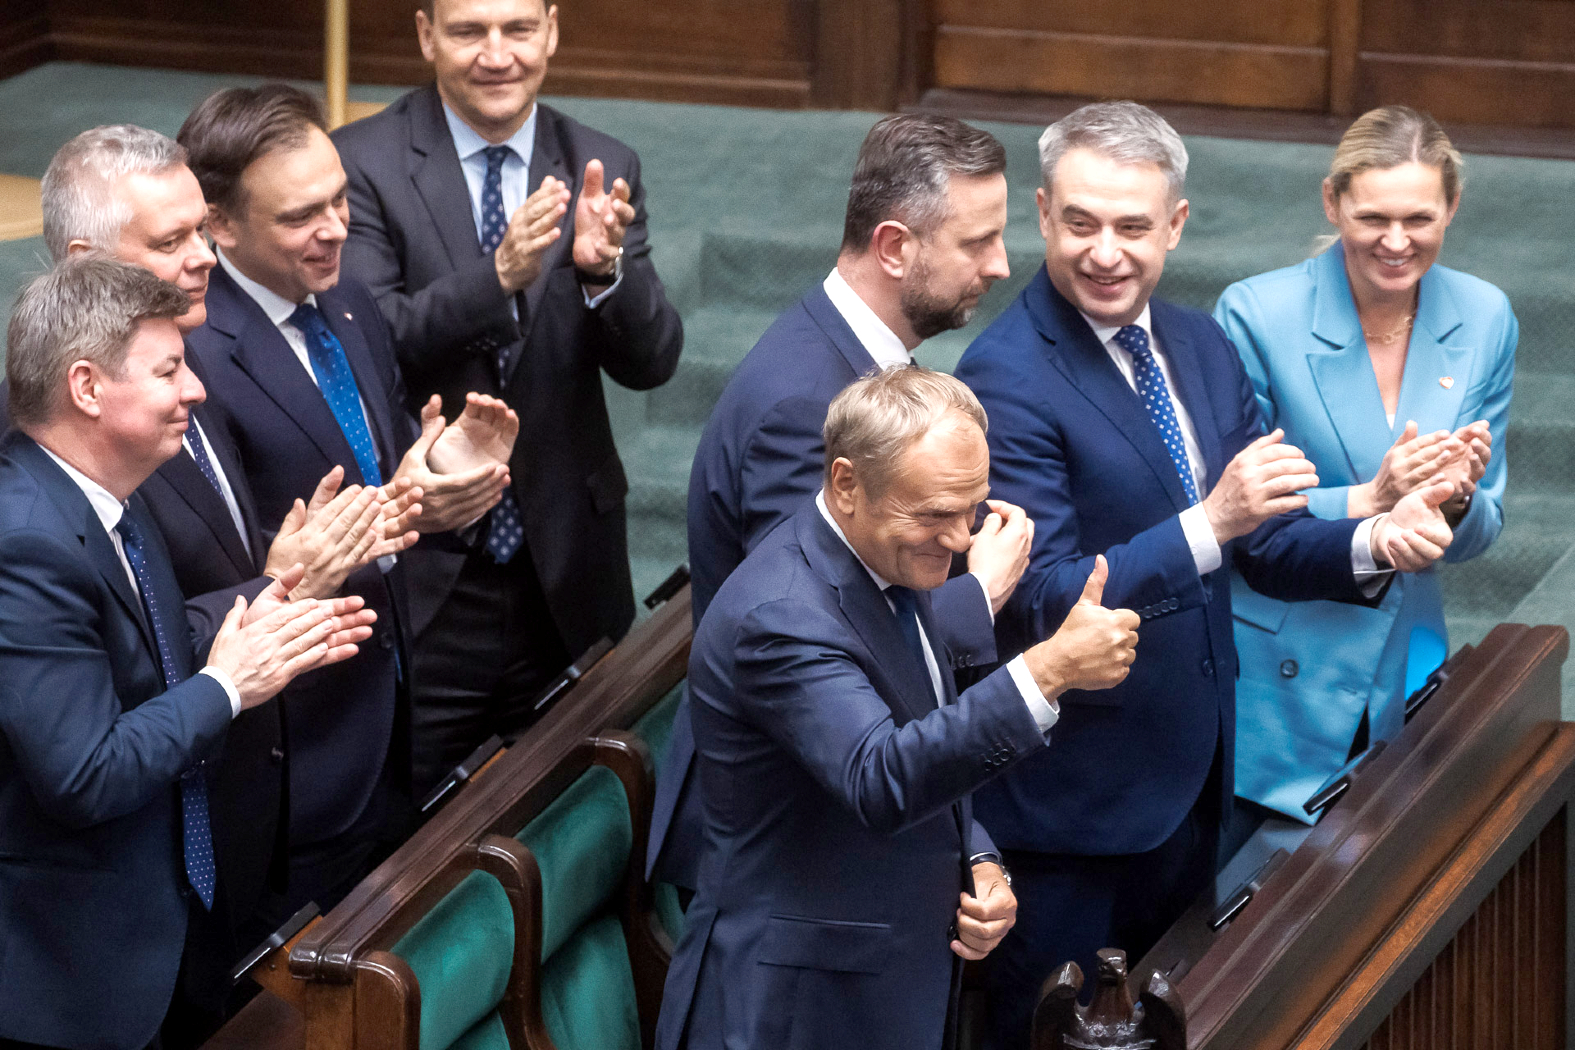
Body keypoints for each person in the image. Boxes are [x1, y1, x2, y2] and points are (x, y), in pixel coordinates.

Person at [952, 100, 1459, 1048]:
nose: (1106, 253)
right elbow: (1044, 594)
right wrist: (1209, 521)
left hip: (1191, 791)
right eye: (1081, 223)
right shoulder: (1003, 376)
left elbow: (1262, 538)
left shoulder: (1196, 345)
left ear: (1175, 225)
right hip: (1068, 821)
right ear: (1042, 215)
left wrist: (1374, 540)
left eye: (1132, 227)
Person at [32, 126, 422, 1039]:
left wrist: (302, 556)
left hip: (237, 830)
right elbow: (98, 651)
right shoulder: (46, 424)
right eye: (170, 240)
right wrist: (271, 590)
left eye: (202, 230)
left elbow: (214, 559)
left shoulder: (186, 358)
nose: (204, 256)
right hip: (119, 897)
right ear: (85, 262)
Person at [654, 366, 1141, 1050]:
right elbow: (880, 775)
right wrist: (1048, 670)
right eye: (935, 514)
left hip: (882, 983)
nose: (962, 538)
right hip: (791, 1012)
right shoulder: (781, 616)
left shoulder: (885, 561)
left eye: (972, 508)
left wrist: (978, 858)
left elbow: (917, 729)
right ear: (846, 484)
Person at [649, 113, 1031, 892]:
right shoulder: (805, 407)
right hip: (787, 856)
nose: (999, 264)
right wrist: (979, 593)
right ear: (893, 247)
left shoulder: (856, 365)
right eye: (976, 242)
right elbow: (817, 632)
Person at [0, 256, 374, 1050]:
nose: (197, 390)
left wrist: (271, 598)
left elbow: (152, 645)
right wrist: (228, 687)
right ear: (87, 387)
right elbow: (85, 774)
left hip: (169, 931)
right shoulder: (24, 540)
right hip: (75, 984)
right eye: (170, 370)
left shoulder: (109, 497)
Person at [178, 83, 517, 920]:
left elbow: (377, 476)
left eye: (339, 200)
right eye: (301, 215)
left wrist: (432, 482)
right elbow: (222, 562)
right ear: (219, 224)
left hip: (392, 718)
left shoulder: (350, 300)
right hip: (294, 763)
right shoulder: (192, 362)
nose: (335, 229)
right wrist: (362, 536)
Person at [331, 0, 684, 795]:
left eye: (518, 29)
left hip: (566, 562)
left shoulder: (600, 160)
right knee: (418, 821)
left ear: (550, 31)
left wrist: (603, 274)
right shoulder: (362, 162)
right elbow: (372, 342)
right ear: (426, 35)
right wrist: (497, 280)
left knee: (577, 801)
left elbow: (654, 362)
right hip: (428, 567)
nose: (497, 55)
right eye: (469, 31)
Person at [1214, 105, 1513, 833]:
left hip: (1404, 665)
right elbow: (1234, 514)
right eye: (1373, 217)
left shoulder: (1484, 316)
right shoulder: (1257, 314)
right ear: (1332, 201)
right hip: (1282, 668)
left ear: (1451, 207)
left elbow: (1480, 529)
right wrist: (1372, 497)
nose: (1396, 241)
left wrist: (1454, 499)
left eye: (1419, 218)